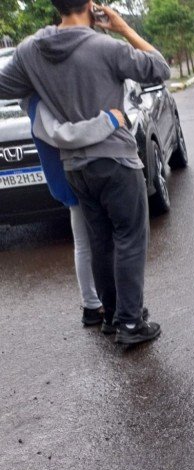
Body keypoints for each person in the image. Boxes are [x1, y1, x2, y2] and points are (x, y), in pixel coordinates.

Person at [0, 0, 171, 345]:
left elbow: (7, 88)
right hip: (116, 160)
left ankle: (111, 317)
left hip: (75, 167)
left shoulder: (30, 51)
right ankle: (130, 324)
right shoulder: (106, 47)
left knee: (101, 242)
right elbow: (160, 68)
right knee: (129, 239)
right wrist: (122, 28)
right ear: (91, 5)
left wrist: (43, 89)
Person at [24, 94, 120, 327]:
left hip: (74, 175)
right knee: (86, 244)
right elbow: (62, 136)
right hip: (71, 177)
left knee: (87, 242)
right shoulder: (37, 103)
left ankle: (95, 302)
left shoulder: (40, 98)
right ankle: (92, 304)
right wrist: (108, 122)